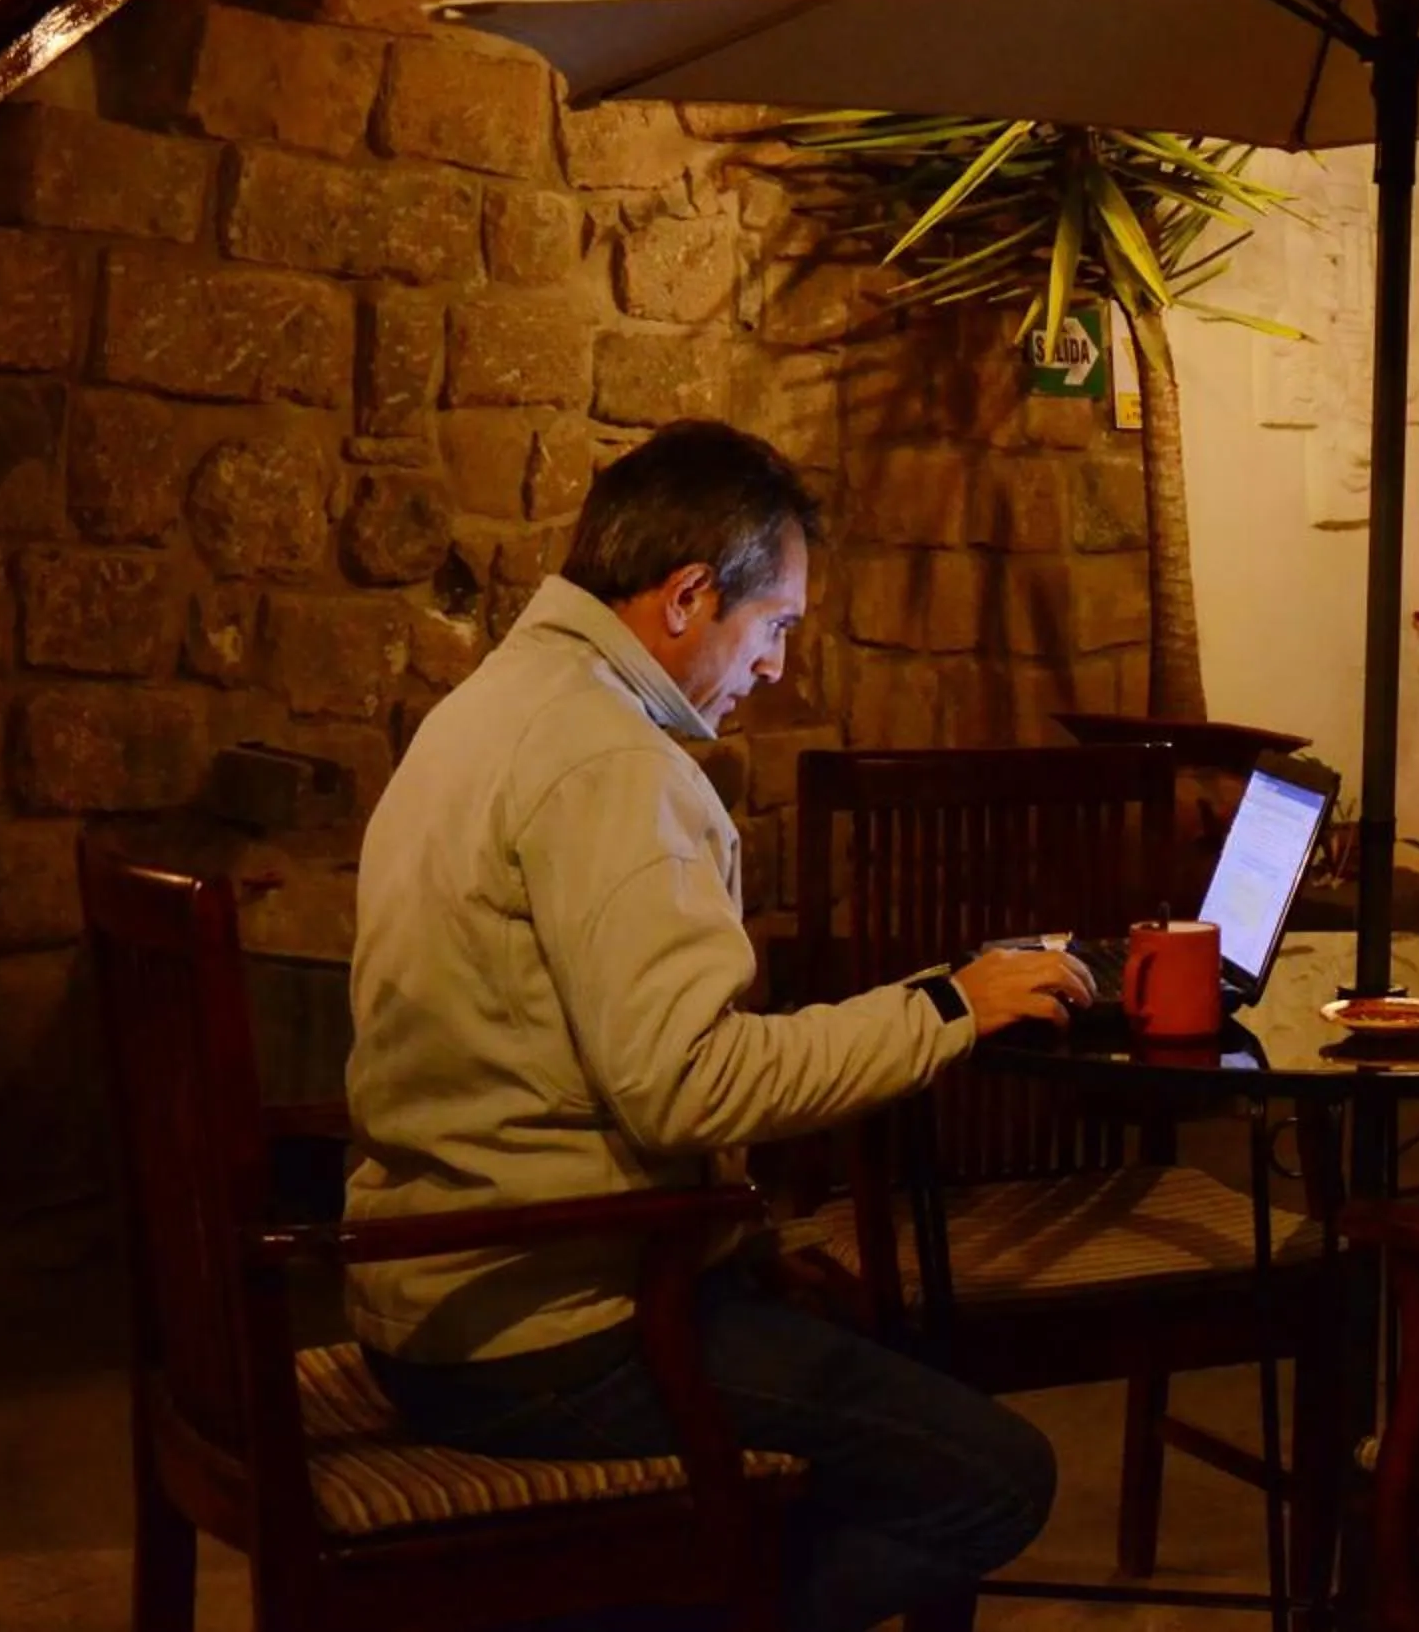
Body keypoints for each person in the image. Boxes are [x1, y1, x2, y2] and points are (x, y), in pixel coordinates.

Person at [345, 419, 1092, 1632]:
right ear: (689, 595)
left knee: (845, 1353)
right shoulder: (608, 761)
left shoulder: (492, 705)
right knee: (993, 1474)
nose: (779, 666)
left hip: (434, 1283)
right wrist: (950, 1007)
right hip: (546, 1330)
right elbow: (685, 1084)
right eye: (777, 624)